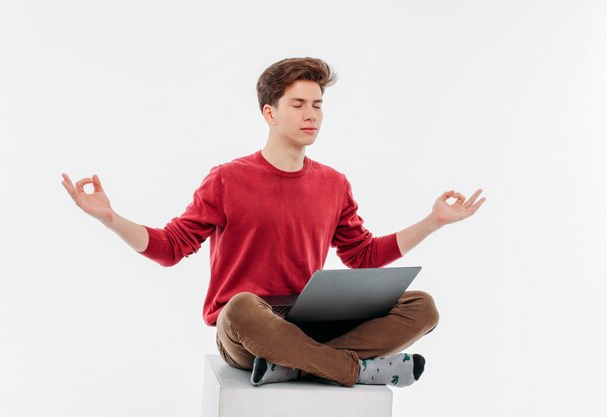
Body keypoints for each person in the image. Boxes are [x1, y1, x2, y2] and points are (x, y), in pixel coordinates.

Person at [62, 57, 485, 388]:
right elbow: (171, 247)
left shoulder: (334, 183)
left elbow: (364, 255)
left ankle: (296, 366)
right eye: (298, 105)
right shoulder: (228, 178)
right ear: (269, 113)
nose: (311, 115)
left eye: (317, 105)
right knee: (242, 305)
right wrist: (110, 218)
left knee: (422, 307)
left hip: (310, 320)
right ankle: (352, 370)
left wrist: (434, 221)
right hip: (250, 329)